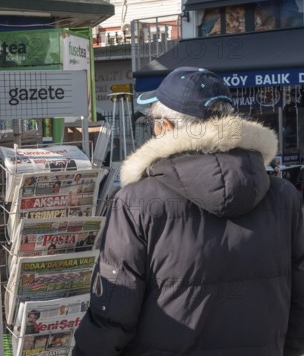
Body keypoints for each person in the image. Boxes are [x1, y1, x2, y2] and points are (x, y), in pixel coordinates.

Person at [73, 67, 304, 356]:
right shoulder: (284, 196)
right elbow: (299, 303)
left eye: (153, 123)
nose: (153, 130)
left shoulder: (137, 202)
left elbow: (113, 312)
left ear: (167, 128)